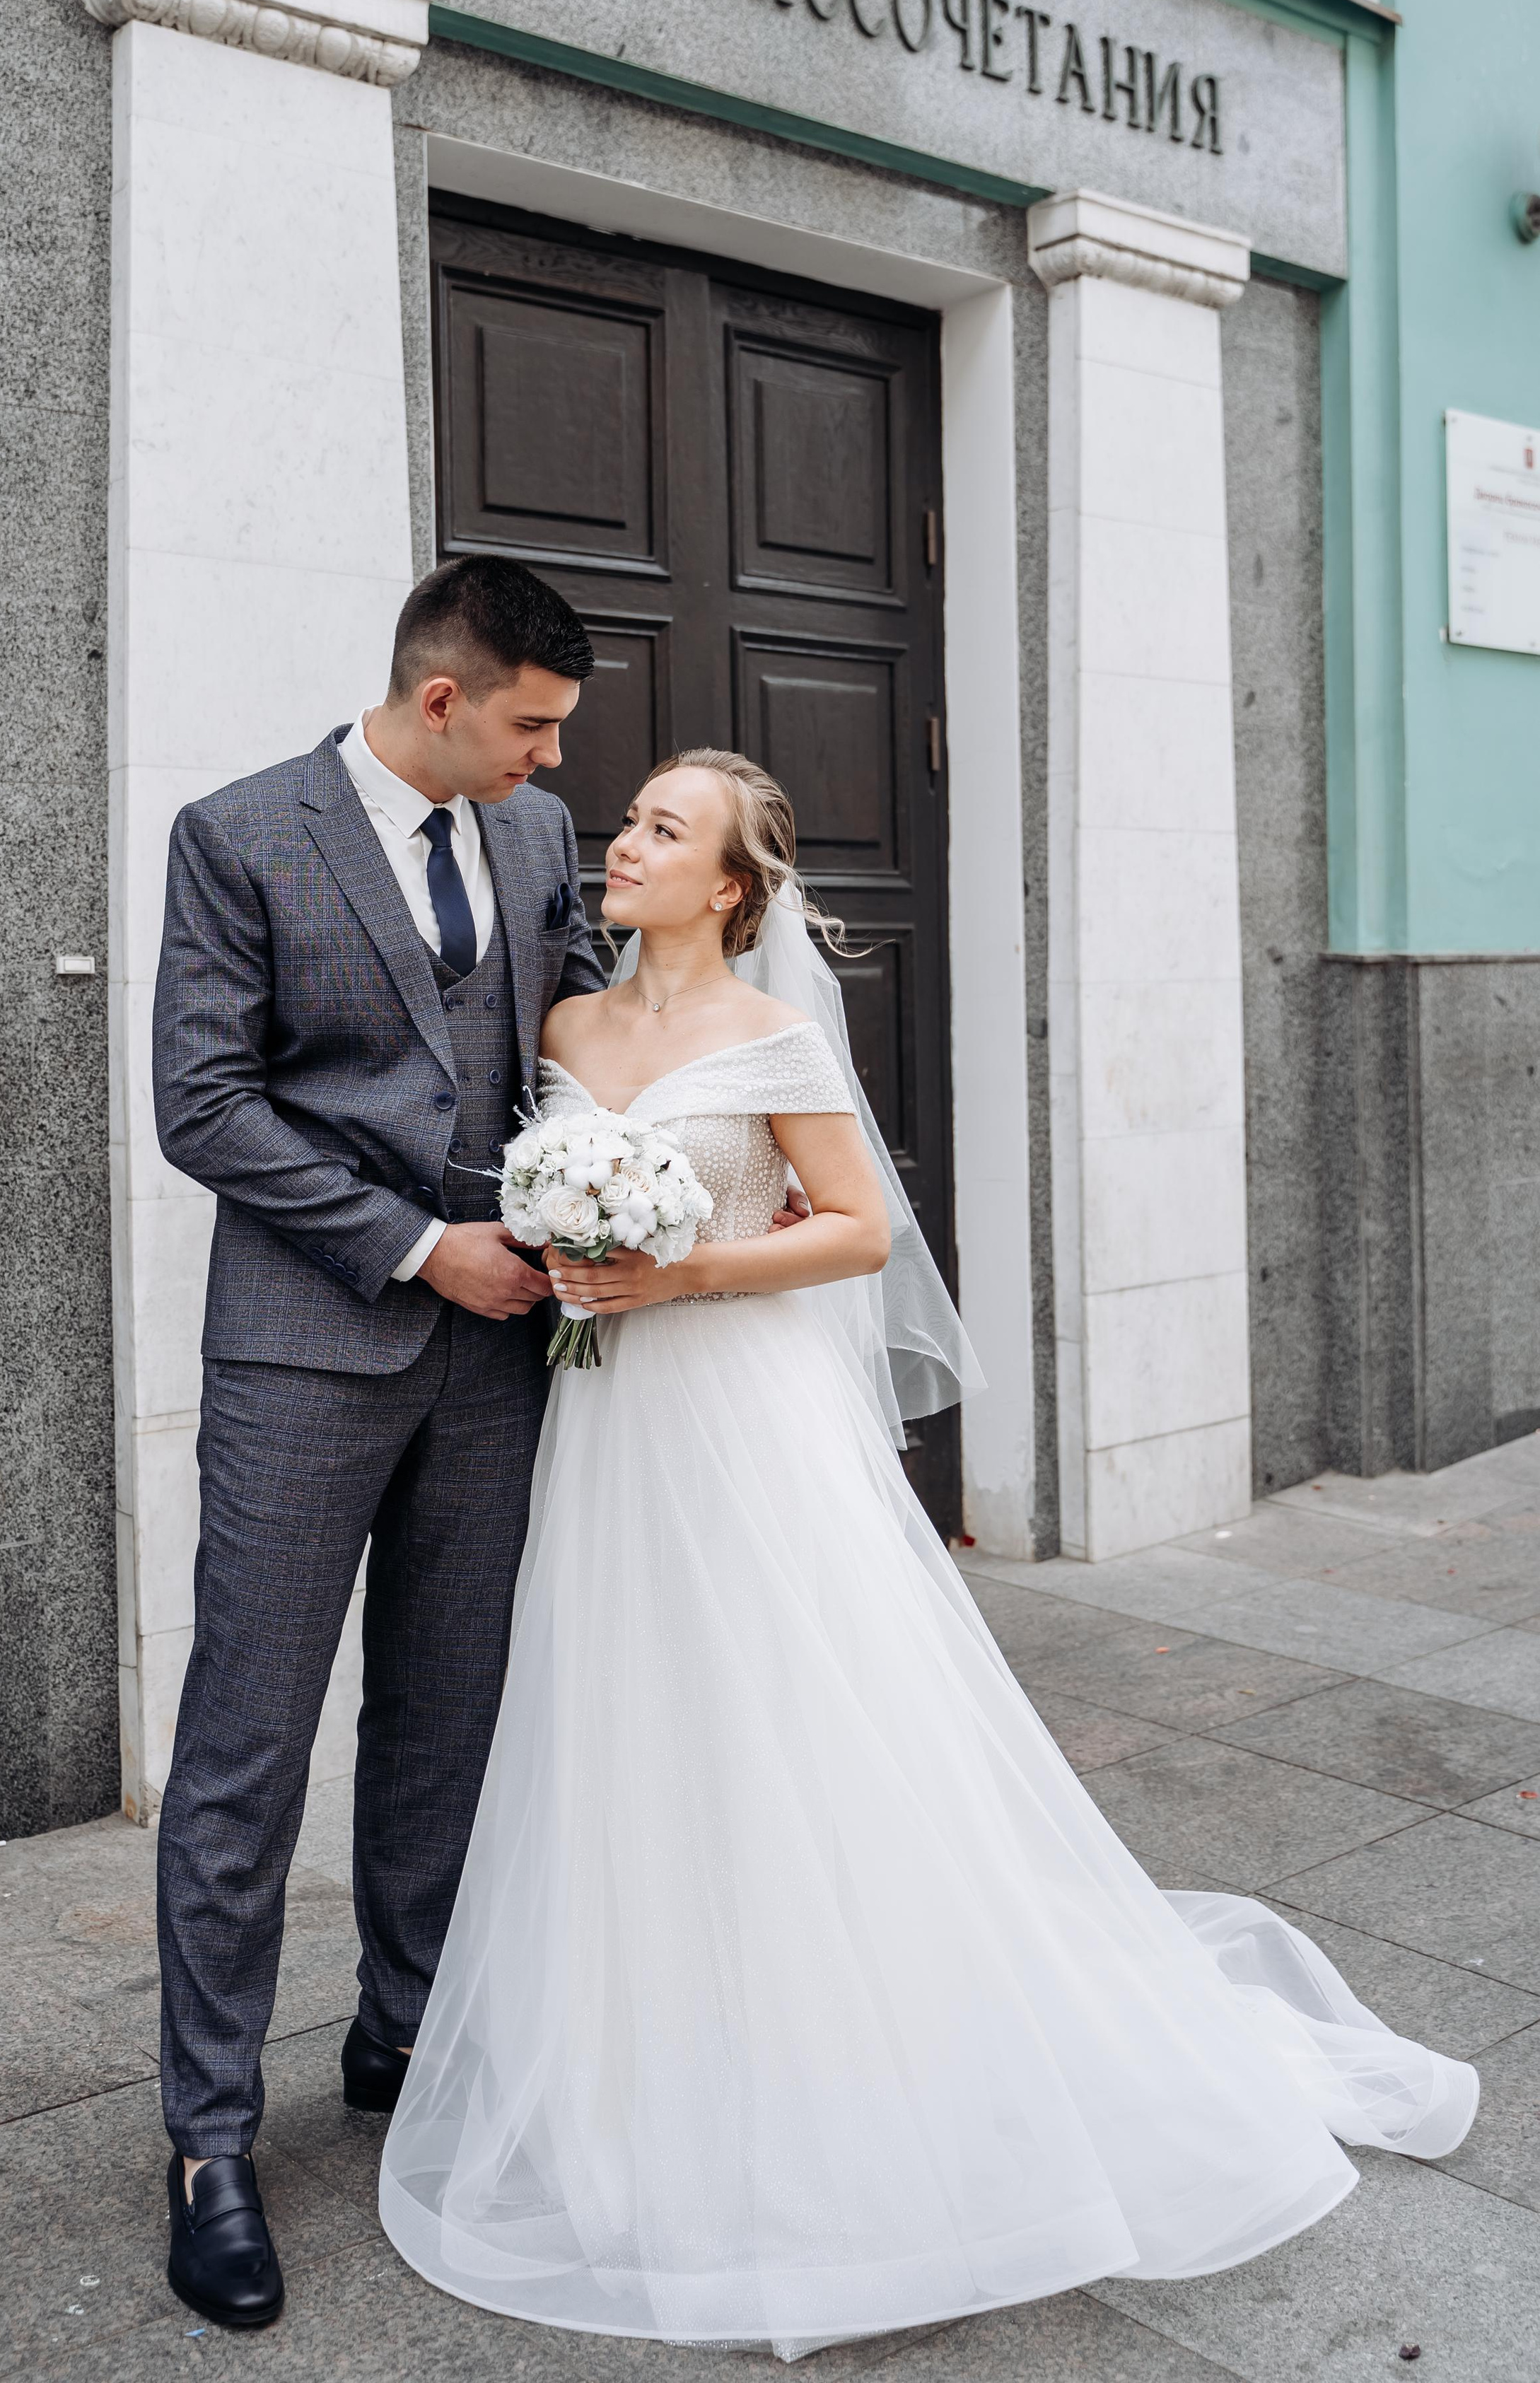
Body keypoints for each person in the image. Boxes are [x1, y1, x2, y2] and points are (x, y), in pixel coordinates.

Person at [378, 747, 1479, 2364]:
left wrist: (678, 1275)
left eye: (660, 832)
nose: (620, 843)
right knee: (636, 1717)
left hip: (737, 1413)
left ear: (731, 887)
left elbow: (858, 1231)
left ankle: (844, 2048)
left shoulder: (768, 1038)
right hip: (608, 1433)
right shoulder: (562, 1028)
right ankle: (650, 2049)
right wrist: (571, 1241)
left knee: (792, 1716)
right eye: (628, 821)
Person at [148, 555, 605, 2329]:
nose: (553, 765)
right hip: (304, 1356)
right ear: (442, 700)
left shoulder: (540, 844)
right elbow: (205, 1103)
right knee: (245, 1748)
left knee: (444, 1716)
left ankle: (399, 2031)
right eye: (534, 728)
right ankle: (208, 2139)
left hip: (497, 1362)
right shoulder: (237, 832)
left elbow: (565, 1044)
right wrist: (421, 1249)